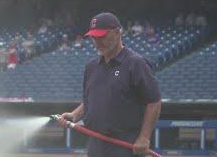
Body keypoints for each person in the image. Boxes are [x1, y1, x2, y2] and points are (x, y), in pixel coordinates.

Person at [58, 12, 161, 157]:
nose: (97, 41)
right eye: (94, 37)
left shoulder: (135, 63)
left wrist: (144, 138)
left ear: (117, 33)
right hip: (96, 143)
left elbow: (154, 102)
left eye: (102, 36)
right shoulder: (91, 67)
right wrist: (74, 115)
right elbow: (90, 100)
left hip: (126, 145)